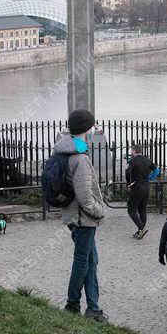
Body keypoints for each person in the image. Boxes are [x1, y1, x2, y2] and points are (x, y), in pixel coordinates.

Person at [53, 109, 108, 322]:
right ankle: (72, 304)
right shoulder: (80, 159)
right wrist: (100, 210)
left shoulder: (63, 151)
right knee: (82, 261)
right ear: (87, 128)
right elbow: (86, 197)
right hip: (82, 218)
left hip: (72, 215)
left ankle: (93, 306)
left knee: (91, 260)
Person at [125, 143, 155, 239]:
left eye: (131, 150)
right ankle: (140, 232)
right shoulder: (147, 159)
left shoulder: (133, 160)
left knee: (131, 209)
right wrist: (149, 177)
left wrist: (129, 183)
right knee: (142, 209)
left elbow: (128, 172)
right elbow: (157, 170)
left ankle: (141, 228)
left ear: (133, 151)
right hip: (146, 186)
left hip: (137, 187)